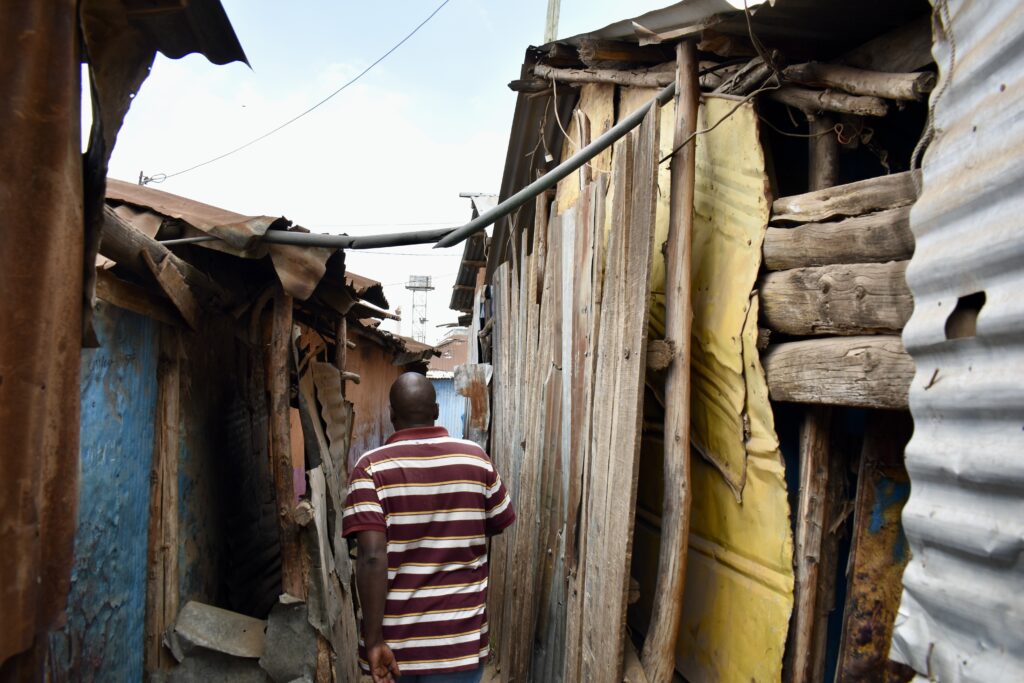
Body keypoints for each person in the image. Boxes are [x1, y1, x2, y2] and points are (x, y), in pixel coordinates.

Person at [343, 372, 516, 683]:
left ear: (391, 414)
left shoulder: (369, 469)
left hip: (396, 645)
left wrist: (373, 641)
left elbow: (370, 558)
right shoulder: (476, 460)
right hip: (460, 639)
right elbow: (497, 522)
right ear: (436, 412)